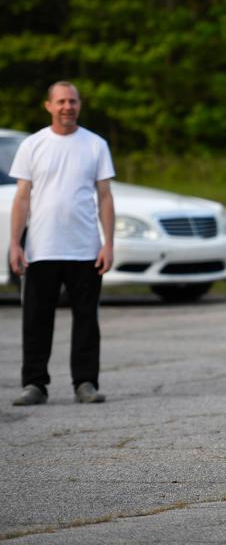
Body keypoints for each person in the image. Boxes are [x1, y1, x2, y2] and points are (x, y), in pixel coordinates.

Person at [9, 81, 115, 406]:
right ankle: (35, 385)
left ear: (80, 105)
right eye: (61, 102)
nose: (67, 107)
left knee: (86, 319)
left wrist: (107, 243)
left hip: (85, 248)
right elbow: (22, 197)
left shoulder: (95, 145)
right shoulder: (33, 145)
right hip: (42, 249)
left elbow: (105, 197)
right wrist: (15, 243)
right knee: (36, 319)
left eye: (72, 101)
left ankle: (85, 383)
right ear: (49, 106)